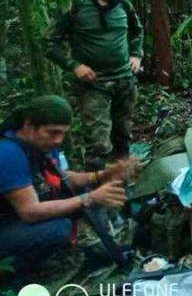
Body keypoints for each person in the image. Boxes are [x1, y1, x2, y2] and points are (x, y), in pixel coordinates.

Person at [0, 96, 138, 276]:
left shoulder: (43, 143)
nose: (58, 140)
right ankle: (20, 274)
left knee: (88, 194)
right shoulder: (8, 153)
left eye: (63, 133)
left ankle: (105, 245)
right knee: (59, 228)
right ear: (29, 125)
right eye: (53, 132)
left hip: (17, 215)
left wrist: (102, 175)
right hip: (8, 224)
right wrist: (88, 199)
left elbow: (63, 178)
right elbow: (30, 212)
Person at [45, 0, 143, 170]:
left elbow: (137, 32)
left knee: (123, 135)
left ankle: (121, 185)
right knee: (98, 144)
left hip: (124, 80)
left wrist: (136, 54)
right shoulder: (75, 5)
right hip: (94, 84)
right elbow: (49, 43)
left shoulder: (124, 5)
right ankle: (98, 194)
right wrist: (74, 66)